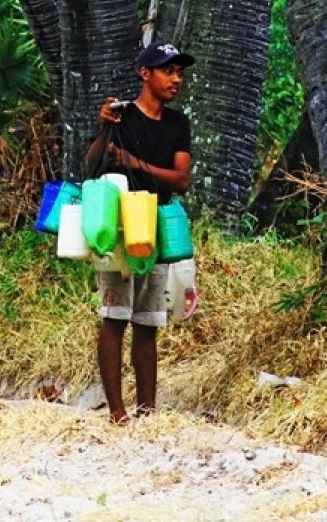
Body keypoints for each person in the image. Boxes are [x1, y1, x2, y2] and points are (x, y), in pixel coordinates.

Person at [84, 42, 194, 424]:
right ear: (144, 74)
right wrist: (103, 128)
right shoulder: (121, 116)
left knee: (148, 321)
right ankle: (117, 412)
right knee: (115, 315)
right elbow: (92, 164)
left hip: (156, 224)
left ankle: (148, 412)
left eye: (179, 72)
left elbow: (181, 179)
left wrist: (135, 163)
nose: (176, 79)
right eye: (168, 71)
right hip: (118, 225)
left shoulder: (178, 124)